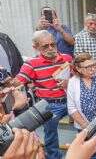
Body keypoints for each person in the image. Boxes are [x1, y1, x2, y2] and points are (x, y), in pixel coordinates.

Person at [15, 30, 72, 159]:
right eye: (45, 46)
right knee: (51, 135)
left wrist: (70, 81)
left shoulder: (67, 58)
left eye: (53, 44)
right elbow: (17, 82)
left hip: (71, 100)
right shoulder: (31, 64)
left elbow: (78, 78)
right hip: (49, 105)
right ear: (35, 47)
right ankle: (53, 157)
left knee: (85, 124)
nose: (51, 48)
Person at [67, 52, 96, 159]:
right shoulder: (73, 82)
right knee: (90, 152)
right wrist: (88, 128)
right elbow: (71, 108)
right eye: (88, 67)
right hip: (84, 126)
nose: (93, 69)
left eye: (94, 65)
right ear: (78, 69)